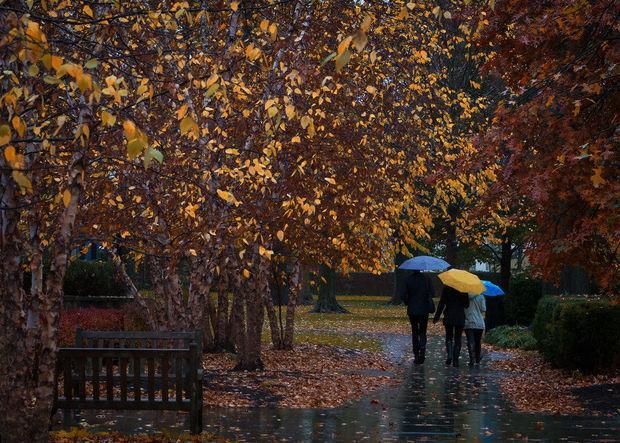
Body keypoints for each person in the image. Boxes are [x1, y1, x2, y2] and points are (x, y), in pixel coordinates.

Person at [401, 270, 436, 364]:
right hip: (424, 309)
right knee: (423, 331)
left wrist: (408, 301)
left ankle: (416, 354)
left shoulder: (408, 279)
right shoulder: (427, 278)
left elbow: (404, 295)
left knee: (415, 332)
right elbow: (433, 293)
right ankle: (422, 352)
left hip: (412, 309)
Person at [433, 286, 469, 367]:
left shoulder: (447, 287)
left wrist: (437, 316)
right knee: (458, 338)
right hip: (459, 316)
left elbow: (442, 303)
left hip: (449, 315)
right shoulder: (463, 288)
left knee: (449, 336)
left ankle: (449, 354)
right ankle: (455, 359)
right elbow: (467, 305)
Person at [465, 293, 486, 367]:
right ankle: (477, 358)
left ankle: (471, 359)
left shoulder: (465, 296)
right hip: (479, 323)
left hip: (468, 322)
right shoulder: (481, 296)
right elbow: (483, 309)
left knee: (470, 341)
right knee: (477, 342)